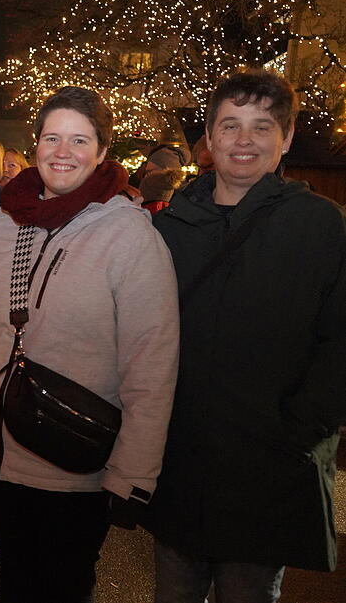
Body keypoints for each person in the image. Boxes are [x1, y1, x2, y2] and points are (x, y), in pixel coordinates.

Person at [0, 86, 179, 603]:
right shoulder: (2, 220)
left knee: (61, 588)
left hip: (77, 461)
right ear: (36, 144)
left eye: (79, 140)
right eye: (52, 137)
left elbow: (153, 363)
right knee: (14, 580)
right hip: (0, 451)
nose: (63, 151)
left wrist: (133, 474)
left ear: (103, 151)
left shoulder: (130, 236)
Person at [146, 69, 346, 603]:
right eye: (230, 126)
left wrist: (297, 432)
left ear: (285, 137)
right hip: (180, 463)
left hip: (267, 466)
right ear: (209, 139)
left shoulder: (323, 226)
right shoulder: (170, 227)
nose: (243, 141)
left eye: (261, 127)